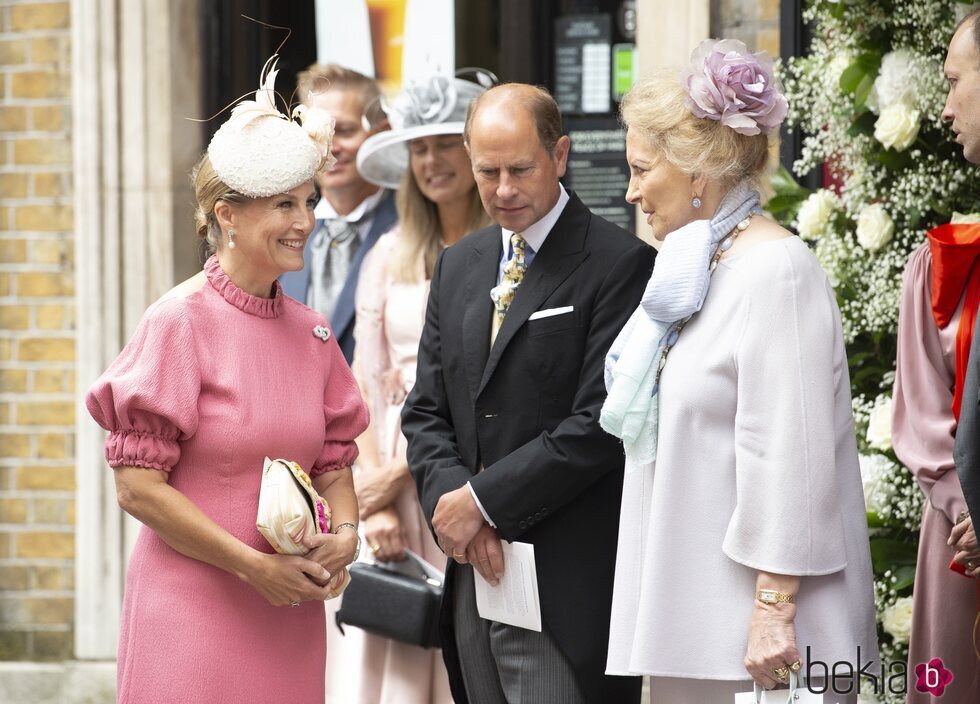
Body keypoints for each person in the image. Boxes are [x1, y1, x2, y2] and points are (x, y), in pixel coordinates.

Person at [84, 56, 369, 703]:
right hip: (192, 613)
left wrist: (344, 540)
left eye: (308, 201)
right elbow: (138, 490)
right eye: (283, 204)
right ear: (228, 215)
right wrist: (252, 567)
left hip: (288, 615)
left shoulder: (314, 335)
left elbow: (333, 465)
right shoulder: (178, 321)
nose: (305, 220)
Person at [603, 40, 877, 703]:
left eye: (642, 169)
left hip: (761, 646)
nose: (632, 189)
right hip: (700, 627)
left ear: (698, 172)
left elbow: (790, 451)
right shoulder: (703, 266)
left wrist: (774, 609)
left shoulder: (775, 271)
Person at [400, 82, 655, 704]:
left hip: (565, 579)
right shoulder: (460, 262)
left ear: (560, 156)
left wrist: (483, 502)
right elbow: (426, 412)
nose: (504, 189)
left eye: (520, 169)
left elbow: (602, 423)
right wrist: (456, 508)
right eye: (487, 172)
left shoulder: (619, 263)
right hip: (471, 574)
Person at [322, 73, 490, 704]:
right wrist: (378, 499)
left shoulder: (504, 253)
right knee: (385, 645)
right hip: (385, 466)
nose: (432, 161)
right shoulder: (389, 253)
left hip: (462, 468)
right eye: (419, 148)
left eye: (446, 143)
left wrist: (406, 476)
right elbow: (357, 385)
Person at [894, 11, 980, 702]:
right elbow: (922, 415)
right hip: (963, 542)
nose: (945, 106)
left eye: (955, 82)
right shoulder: (948, 261)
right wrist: (970, 510)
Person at [280, 63, 397, 364]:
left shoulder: (412, 226)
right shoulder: (278, 232)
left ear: (382, 133)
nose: (331, 148)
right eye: (317, 135)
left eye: (343, 131)